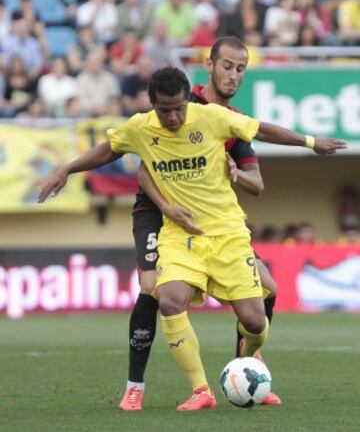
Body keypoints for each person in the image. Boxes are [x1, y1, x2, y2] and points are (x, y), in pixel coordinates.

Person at [38, 67, 346, 411]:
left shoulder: (212, 117)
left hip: (227, 234)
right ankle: (201, 391)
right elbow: (109, 148)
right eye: (164, 110)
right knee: (168, 299)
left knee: (255, 322)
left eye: (178, 108)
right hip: (180, 237)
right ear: (153, 105)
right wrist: (67, 168)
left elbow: (261, 130)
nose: (172, 117)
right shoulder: (140, 128)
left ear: (187, 100)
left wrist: (310, 142)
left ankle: (245, 361)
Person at [121, 37, 283, 411]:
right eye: (226, 66)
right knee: (152, 288)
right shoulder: (181, 102)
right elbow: (145, 167)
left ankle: (245, 368)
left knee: (267, 289)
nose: (233, 75)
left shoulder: (231, 119)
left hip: (210, 222)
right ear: (209, 65)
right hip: (158, 210)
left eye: (240, 68)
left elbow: (255, 183)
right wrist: (165, 205)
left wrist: (235, 174)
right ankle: (135, 386)